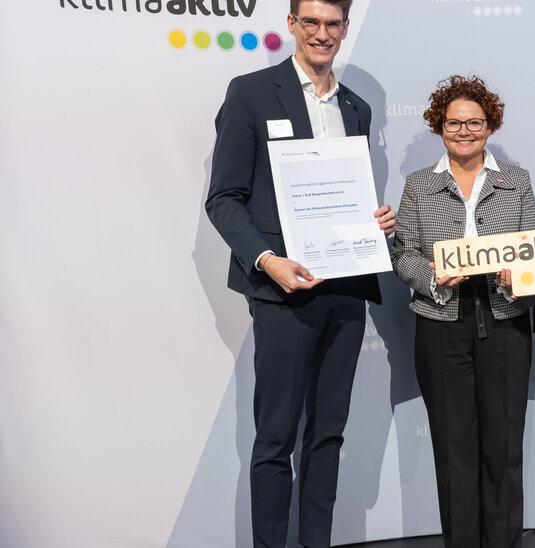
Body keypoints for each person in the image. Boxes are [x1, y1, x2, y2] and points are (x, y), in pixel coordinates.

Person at [204, 1, 396, 546]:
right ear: (291, 25)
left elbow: (344, 196)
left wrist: (374, 221)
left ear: (345, 28)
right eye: (310, 21)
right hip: (283, 291)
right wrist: (268, 261)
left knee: (328, 436)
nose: (321, 33)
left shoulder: (356, 108)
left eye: (332, 24)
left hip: (347, 289)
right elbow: (224, 199)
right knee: (275, 439)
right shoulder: (250, 94)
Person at [390, 75, 535, 548]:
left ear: (490, 126)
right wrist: (433, 278)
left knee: (503, 447)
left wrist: (519, 278)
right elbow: (403, 252)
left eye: (475, 122)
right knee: (453, 447)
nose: (464, 131)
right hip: (441, 323)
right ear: (440, 127)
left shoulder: (516, 181)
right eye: (454, 123)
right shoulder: (419, 185)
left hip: (505, 320)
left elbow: (534, 252)